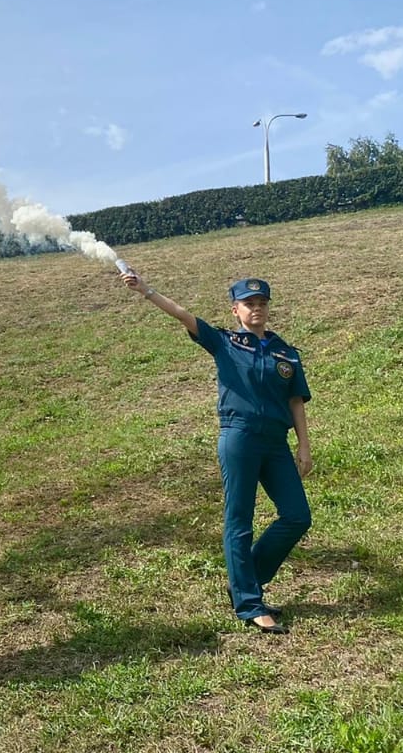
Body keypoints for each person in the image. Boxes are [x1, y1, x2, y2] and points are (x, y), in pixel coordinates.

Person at [119, 270, 313, 634]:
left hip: (275, 443)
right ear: (235, 310)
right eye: (248, 304)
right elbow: (181, 313)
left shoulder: (285, 352)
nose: (256, 309)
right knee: (240, 519)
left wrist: (304, 445)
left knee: (297, 516)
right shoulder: (223, 342)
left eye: (261, 303)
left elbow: (296, 401)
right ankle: (249, 603)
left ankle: (245, 580)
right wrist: (146, 290)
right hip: (238, 438)